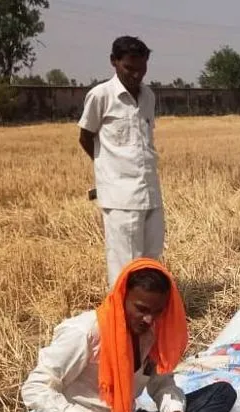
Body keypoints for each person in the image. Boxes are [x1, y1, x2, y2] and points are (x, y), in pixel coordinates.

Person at [21, 260, 237, 412]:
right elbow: (34, 388)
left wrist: (174, 411)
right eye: (141, 309)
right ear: (121, 297)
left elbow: (161, 383)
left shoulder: (150, 332)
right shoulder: (85, 333)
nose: (149, 320)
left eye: (157, 312)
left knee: (221, 393)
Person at [78, 37, 165, 288]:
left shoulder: (148, 96)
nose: (136, 75)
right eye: (129, 68)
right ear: (114, 62)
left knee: (151, 261)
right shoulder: (100, 95)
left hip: (150, 192)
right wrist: (109, 168)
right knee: (125, 265)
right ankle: (122, 319)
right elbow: (86, 137)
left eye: (142, 68)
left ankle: (146, 317)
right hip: (120, 196)